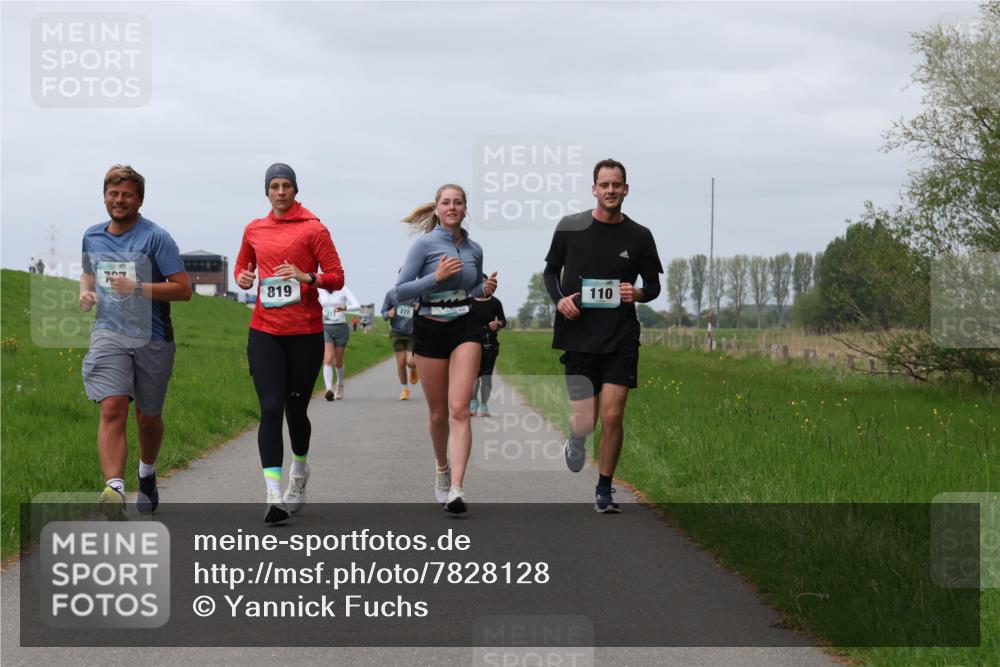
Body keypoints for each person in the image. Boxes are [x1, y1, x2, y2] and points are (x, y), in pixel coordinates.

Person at [543, 159, 662, 513]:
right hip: (578, 334)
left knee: (612, 416)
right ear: (594, 189)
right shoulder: (570, 227)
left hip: (620, 336)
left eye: (617, 184)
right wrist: (560, 300)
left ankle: (605, 489)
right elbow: (550, 272)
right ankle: (577, 438)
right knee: (586, 420)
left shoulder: (640, 236)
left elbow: (653, 286)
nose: (611, 190)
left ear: (626, 189)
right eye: (605, 184)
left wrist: (638, 293)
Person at [79, 164, 192, 519]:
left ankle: (147, 472)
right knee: (113, 406)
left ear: (139, 200)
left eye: (127, 195)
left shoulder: (156, 237)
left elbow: (184, 289)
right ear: (104, 197)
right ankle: (114, 489)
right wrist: (86, 292)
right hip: (108, 332)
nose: (119, 200)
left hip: (153, 336)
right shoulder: (92, 236)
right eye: (113, 194)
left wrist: (137, 287)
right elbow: (88, 272)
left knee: (148, 417)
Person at [235, 163, 344, 523]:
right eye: (274, 186)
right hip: (265, 331)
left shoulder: (314, 228)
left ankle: (299, 471)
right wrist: (244, 277)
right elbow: (242, 267)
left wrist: (307, 276)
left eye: (286, 186)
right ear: (267, 191)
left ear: (295, 190)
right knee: (270, 408)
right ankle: (273, 494)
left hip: (305, 333)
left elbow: (337, 277)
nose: (280, 192)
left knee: (295, 411)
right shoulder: (254, 229)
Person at [394, 184, 497, 513]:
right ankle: (442, 469)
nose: (452, 207)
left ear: (465, 209)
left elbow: (473, 287)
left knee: (460, 409)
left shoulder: (475, 249)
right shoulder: (423, 245)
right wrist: (434, 277)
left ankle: (456, 489)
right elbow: (400, 291)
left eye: (458, 203)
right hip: (429, 327)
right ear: (437, 209)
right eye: (446, 203)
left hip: (465, 326)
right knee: (438, 414)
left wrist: (485, 288)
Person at [318, 286, 360, 400]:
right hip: (326, 327)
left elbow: (357, 306)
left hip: (341, 327)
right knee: (328, 358)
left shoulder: (343, 289)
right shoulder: (320, 289)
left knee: (338, 361)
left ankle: (340, 384)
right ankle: (328, 389)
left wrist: (344, 308)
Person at [468, 291, 506, 417]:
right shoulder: (468, 301)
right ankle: (473, 402)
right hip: (471, 341)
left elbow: (503, 320)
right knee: (473, 374)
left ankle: (484, 404)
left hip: (490, 342)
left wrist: (498, 324)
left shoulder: (495, 302)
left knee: (486, 375)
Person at [381, 285, 419, 400]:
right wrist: (388, 314)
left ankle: (413, 368)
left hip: (413, 332)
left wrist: (419, 308)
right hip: (397, 333)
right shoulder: (391, 294)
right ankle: (405, 390)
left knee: (410, 362)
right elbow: (383, 313)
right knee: (401, 363)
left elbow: (424, 310)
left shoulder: (416, 292)